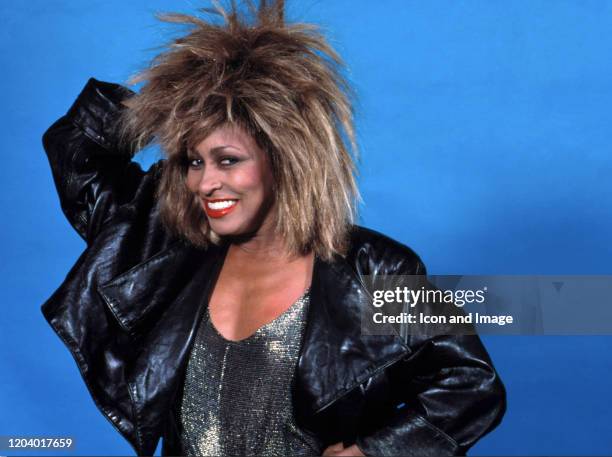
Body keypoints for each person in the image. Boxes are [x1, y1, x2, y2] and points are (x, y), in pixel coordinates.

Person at [42, 1, 505, 455]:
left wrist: (377, 451)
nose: (206, 182)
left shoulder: (374, 269)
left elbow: (470, 383)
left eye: (228, 160)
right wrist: (173, 100)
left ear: (282, 158)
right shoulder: (163, 242)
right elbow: (77, 155)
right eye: (193, 161)